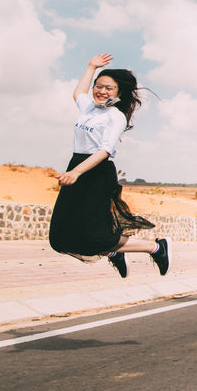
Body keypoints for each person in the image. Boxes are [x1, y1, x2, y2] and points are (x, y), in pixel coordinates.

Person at [48, 53, 169, 277]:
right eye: (99, 86)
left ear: (119, 93)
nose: (102, 91)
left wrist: (76, 172)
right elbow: (78, 93)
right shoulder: (89, 108)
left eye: (109, 88)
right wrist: (91, 66)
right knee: (60, 235)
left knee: (97, 235)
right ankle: (114, 253)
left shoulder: (115, 116)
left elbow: (104, 151)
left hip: (95, 172)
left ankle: (156, 248)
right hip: (77, 166)